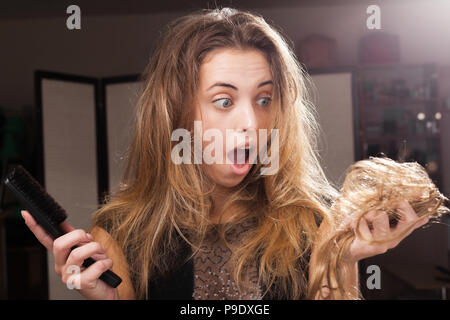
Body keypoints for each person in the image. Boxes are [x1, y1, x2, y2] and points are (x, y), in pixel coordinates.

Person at [21, 7, 430, 300]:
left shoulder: (317, 223)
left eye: (265, 99)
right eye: (223, 100)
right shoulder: (122, 232)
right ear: (176, 110)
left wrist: (341, 259)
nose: (251, 123)